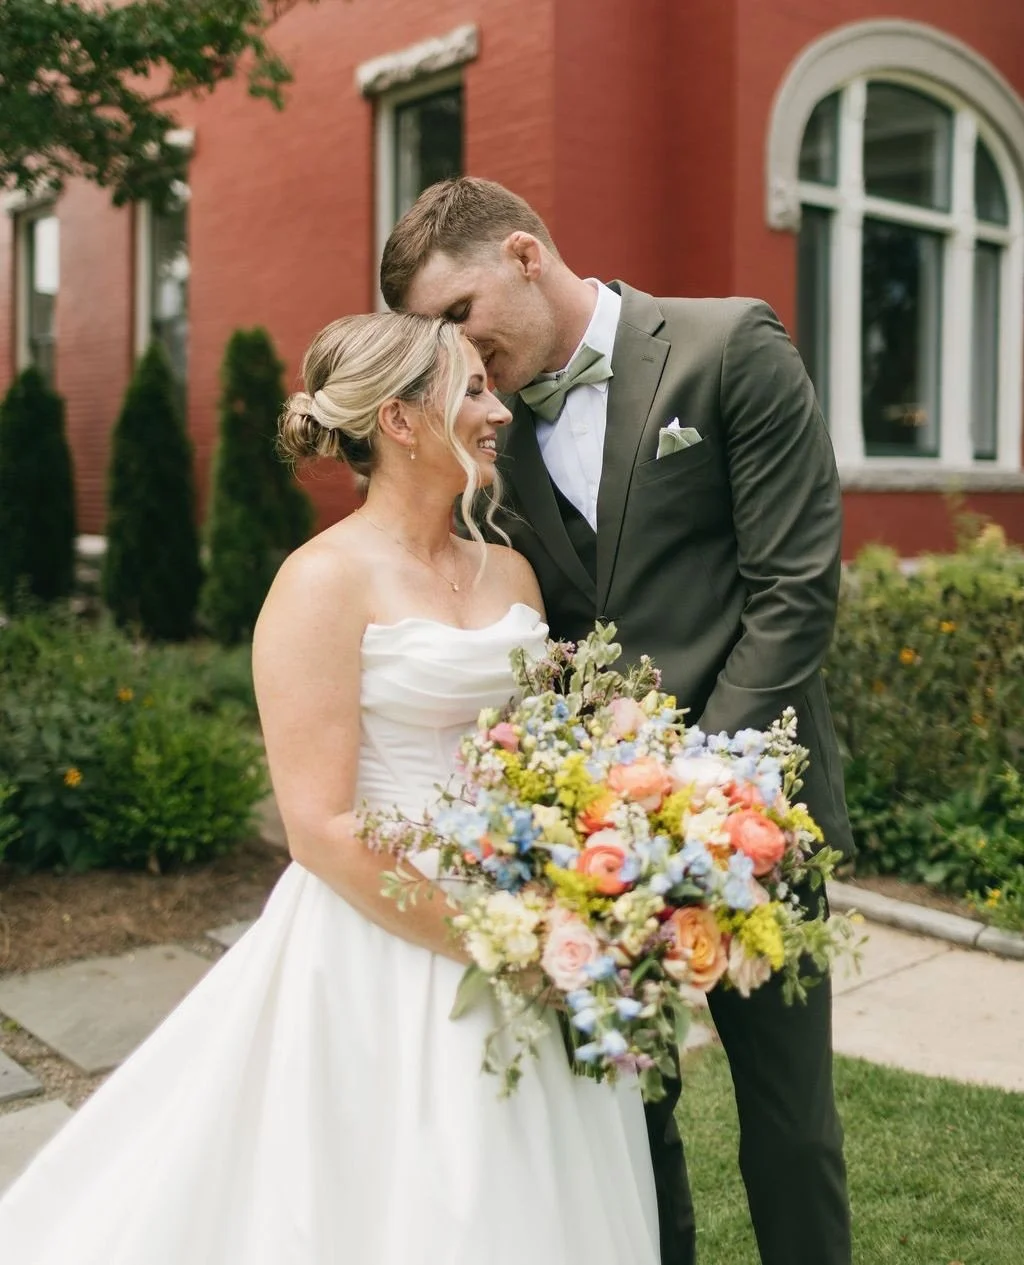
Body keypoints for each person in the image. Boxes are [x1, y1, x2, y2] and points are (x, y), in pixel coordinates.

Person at [0, 313, 661, 1265]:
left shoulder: (510, 566)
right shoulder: (319, 582)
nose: (496, 410)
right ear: (398, 420)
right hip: (382, 926)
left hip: (531, 901)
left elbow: (541, 749)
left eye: (489, 385)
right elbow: (318, 824)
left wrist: (587, 861)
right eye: (470, 389)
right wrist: (499, 945)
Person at [382, 176, 855, 1265]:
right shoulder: (486, 439)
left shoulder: (727, 345)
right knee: (626, 1129)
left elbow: (793, 589)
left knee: (790, 1125)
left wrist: (699, 792)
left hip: (757, 815)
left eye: (456, 316)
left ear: (521, 254)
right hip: (589, 846)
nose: (454, 353)